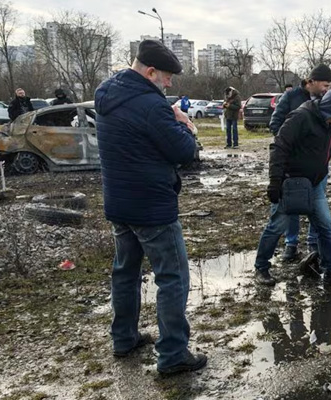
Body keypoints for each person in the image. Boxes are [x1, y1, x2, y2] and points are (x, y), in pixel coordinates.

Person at [94, 39, 207, 376]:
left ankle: (124, 338)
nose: (170, 83)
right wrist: (185, 123)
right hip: (152, 207)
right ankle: (172, 354)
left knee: (125, 273)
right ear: (150, 71)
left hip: (119, 202)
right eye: (167, 76)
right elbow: (184, 152)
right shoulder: (151, 105)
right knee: (173, 277)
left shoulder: (106, 94)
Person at [254, 84, 331, 288]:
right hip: (290, 183)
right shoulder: (301, 117)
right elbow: (278, 147)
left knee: (325, 227)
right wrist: (275, 182)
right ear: (328, 109)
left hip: (315, 184)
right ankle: (261, 268)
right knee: (277, 226)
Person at [268, 64, 331, 261]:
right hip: (294, 164)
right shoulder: (291, 97)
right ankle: (291, 243)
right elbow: (275, 125)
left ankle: (313, 243)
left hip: (318, 165)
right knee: (292, 204)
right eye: (324, 85)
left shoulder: (326, 100)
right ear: (310, 81)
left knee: (316, 202)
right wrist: (298, 141)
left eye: (329, 86)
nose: (326, 90)